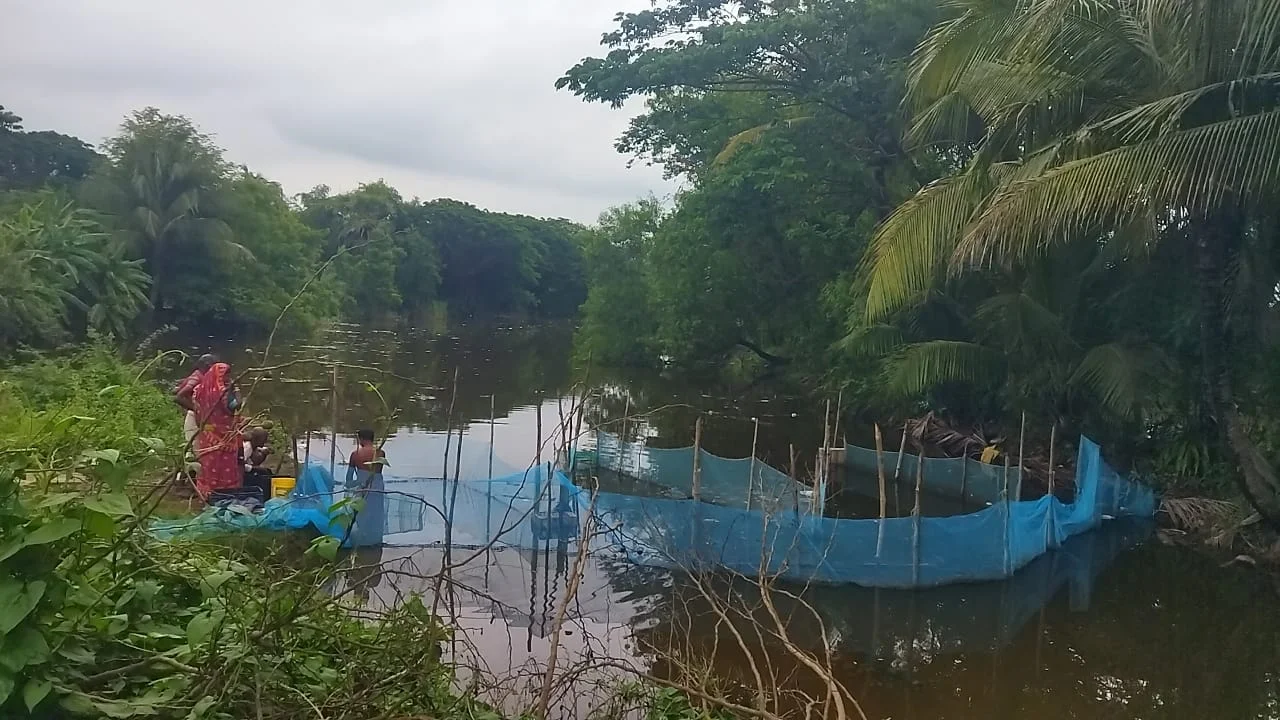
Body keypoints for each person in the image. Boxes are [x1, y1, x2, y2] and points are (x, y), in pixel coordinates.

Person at [192, 362, 243, 499]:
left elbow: (196, 411)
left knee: (208, 462)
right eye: (226, 374)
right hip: (224, 433)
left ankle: (207, 491)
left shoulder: (199, 390)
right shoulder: (222, 392)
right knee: (224, 464)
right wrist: (236, 389)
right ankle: (225, 493)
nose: (228, 378)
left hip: (207, 433)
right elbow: (235, 405)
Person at [345, 428, 387, 547]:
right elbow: (377, 474)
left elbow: (349, 478)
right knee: (376, 517)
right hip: (378, 490)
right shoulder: (380, 453)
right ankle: (375, 545)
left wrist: (352, 483)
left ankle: (362, 545)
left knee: (361, 516)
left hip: (362, 491)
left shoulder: (355, 454)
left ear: (361, 439)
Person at [175, 354, 216, 453]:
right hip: (194, 418)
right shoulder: (197, 378)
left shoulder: (200, 376)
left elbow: (176, 390)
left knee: (208, 436)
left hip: (201, 418)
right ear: (208, 365)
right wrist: (196, 409)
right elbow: (178, 397)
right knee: (195, 447)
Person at [242, 427, 274, 500]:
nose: (264, 441)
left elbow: (260, 449)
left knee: (267, 472)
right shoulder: (247, 448)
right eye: (263, 440)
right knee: (263, 474)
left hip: (248, 466)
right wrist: (253, 468)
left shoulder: (253, 445)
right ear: (256, 439)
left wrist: (265, 450)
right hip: (242, 471)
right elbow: (239, 464)